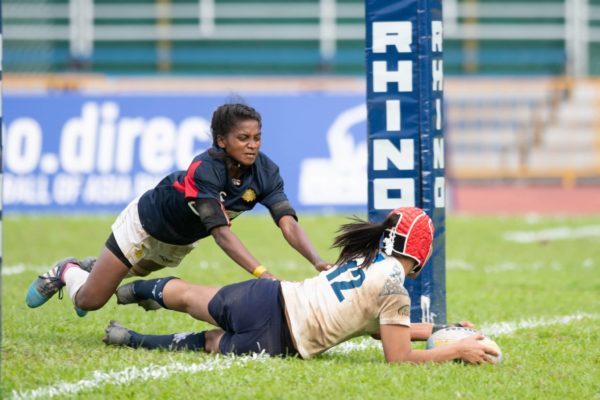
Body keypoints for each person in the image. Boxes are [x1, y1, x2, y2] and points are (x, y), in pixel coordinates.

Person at [26, 103, 331, 317]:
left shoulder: (266, 172)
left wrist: (317, 261)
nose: (252, 145)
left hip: (180, 240)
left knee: (137, 271)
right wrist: (263, 274)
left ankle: (95, 270)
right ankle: (68, 271)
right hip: (145, 223)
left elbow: (287, 222)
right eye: (243, 138)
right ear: (221, 140)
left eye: (257, 138)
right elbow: (221, 234)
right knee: (90, 301)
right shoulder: (205, 169)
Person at [103, 207, 498, 364]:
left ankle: (132, 290)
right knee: (208, 343)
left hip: (270, 295)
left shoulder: (366, 258)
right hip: (281, 338)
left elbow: (384, 330)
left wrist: (444, 329)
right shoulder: (394, 287)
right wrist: (457, 349)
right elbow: (398, 356)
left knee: (191, 296)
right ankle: (130, 339)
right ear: (422, 251)